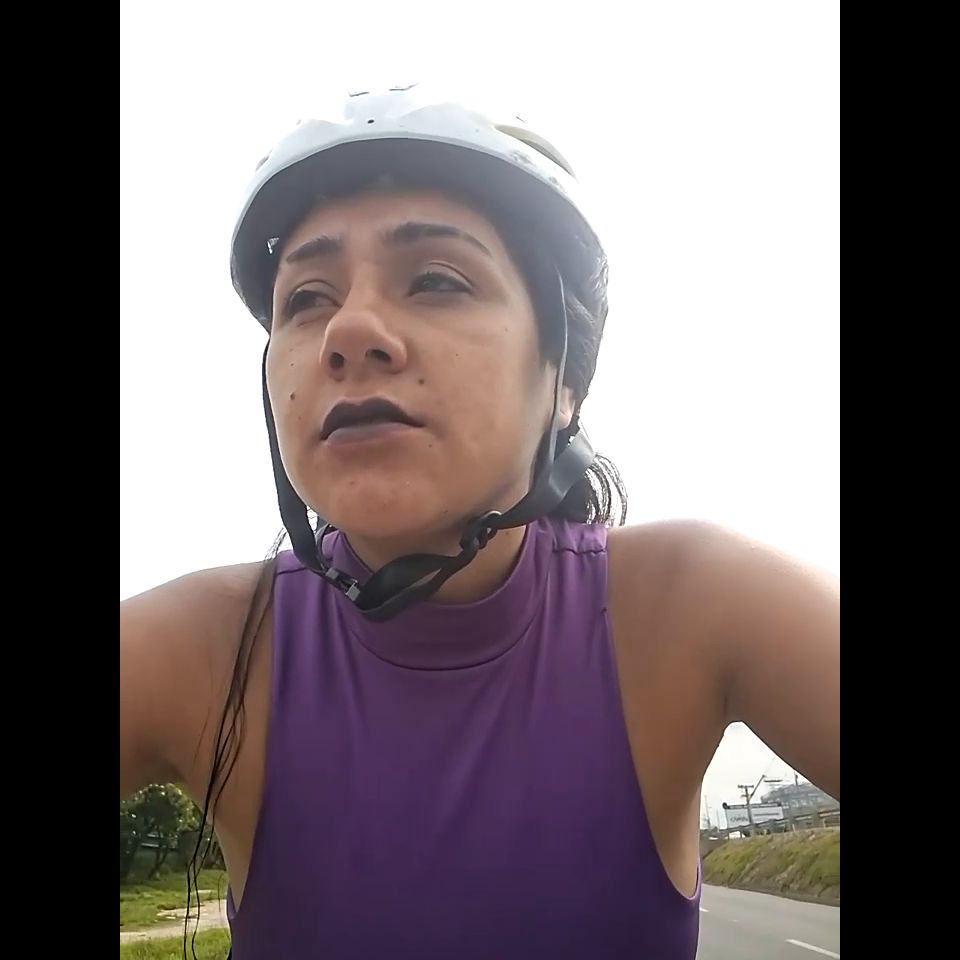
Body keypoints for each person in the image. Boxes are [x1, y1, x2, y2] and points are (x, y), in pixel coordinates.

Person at [120, 86, 839, 959]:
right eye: (305, 299)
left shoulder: (701, 606)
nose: (349, 329)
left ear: (565, 383)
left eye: (437, 280)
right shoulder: (207, 646)